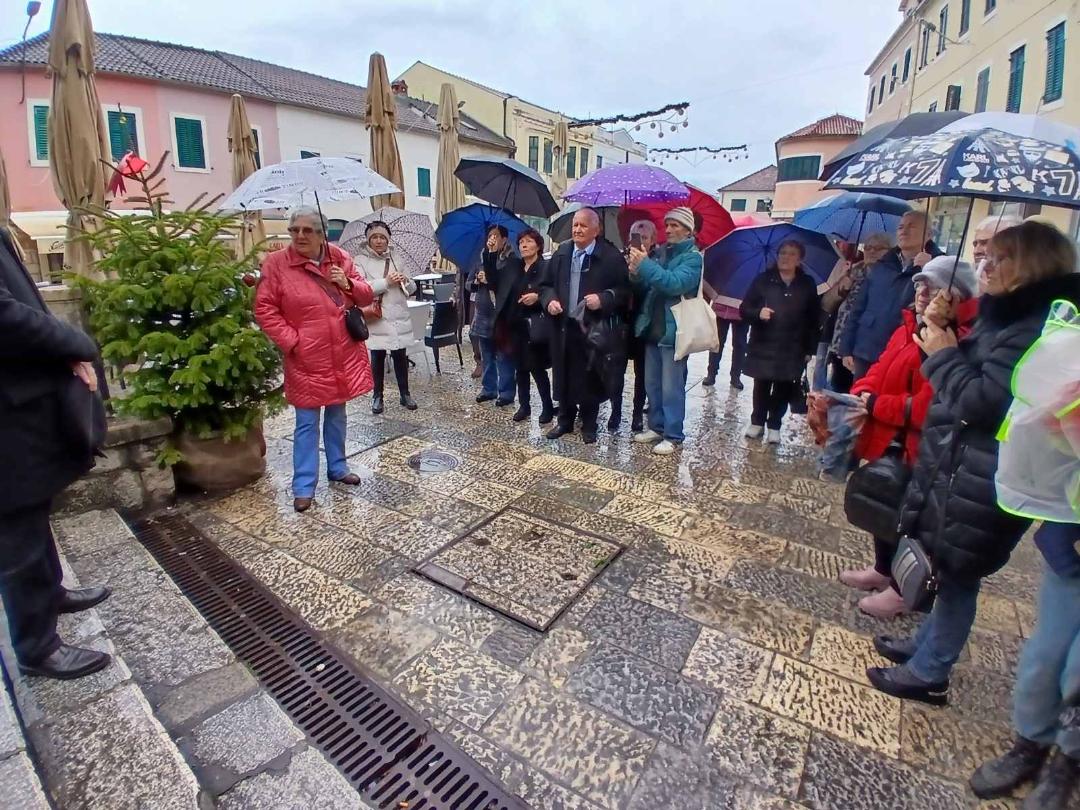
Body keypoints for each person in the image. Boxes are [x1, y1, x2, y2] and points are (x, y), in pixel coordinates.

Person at [867, 221, 1080, 706]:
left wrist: (942, 352)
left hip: (985, 470)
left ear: (1026, 265)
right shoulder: (1006, 316)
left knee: (959, 570)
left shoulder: (1033, 327)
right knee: (947, 561)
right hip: (962, 463)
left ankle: (931, 672)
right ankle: (925, 646)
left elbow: (982, 402)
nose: (985, 266)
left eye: (997, 258)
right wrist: (945, 326)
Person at [838, 256, 980, 618]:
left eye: (933, 287)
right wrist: (864, 391)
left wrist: (876, 404)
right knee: (883, 503)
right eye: (919, 284)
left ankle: (903, 588)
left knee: (912, 520)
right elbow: (879, 369)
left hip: (919, 447)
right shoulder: (907, 327)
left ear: (956, 296)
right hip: (887, 438)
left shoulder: (953, 342)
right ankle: (883, 569)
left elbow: (928, 408)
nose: (922, 292)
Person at [0, 228, 113, 680]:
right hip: (7, 411)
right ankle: (37, 646)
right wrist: (76, 344)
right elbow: (6, 316)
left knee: (33, 506)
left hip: (19, 402)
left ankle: (51, 592)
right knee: (17, 523)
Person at [254, 207, 375, 513]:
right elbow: (265, 308)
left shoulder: (340, 258)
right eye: (294, 230)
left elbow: (364, 297)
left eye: (307, 230)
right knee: (306, 423)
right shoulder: (276, 264)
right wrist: (292, 342)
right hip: (307, 357)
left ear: (322, 234)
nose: (299, 236)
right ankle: (304, 486)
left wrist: (345, 282)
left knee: (337, 416)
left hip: (342, 353)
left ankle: (338, 468)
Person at [969, 521, 1080, 808]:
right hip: (1072, 539)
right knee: (1045, 657)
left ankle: (1068, 761)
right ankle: (1031, 743)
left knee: (1078, 672)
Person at [540, 207, 630, 444]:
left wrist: (604, 298)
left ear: (596, 229)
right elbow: (546, 285)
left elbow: (624, 292)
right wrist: (550, 301)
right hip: (564, 325)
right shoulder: (562, 252)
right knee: (564, 373)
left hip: (592, 328)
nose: (578, 230)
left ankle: (590, 423)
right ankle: (565, 420)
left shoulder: (610, 256)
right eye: (575, 225)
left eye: (583, 226)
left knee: (590, 375)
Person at [628, 207, 703, 455]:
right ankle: (656, 426)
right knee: (653, 384)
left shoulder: (693, 258)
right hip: (654, 328)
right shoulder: (661, 253)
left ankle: (673, 434)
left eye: (675, 225)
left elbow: (674, 284)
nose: (669, 230)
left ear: (688, 229)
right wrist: (636, 272)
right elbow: (648, 284)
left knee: (672, 387)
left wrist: (646, 265)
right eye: (667, 225)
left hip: (675, 332)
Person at [740, 239, 821, 444]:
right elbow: (744, 309)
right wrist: (759, 312)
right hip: (764, 342)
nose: (785, 257)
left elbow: (814, 317)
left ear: (799, 259)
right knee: (762, 384)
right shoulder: (763, 280)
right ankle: (757, 421)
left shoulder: (807, 284)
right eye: (783, 253)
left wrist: (810, 347)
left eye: (791, 254)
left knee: (784, 387)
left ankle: (775, 424)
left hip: (793, 345)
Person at [839, 211, 935, 381]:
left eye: (911, 226)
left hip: (904, 353)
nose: (904, 231)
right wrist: (846, 347)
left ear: (928, 234)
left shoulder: (938, 266)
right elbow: (858, 308)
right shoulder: (883, 264)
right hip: (867, 349)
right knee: (858, 402)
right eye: (900, 227)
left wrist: (931, 268)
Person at [352, 220, 418, 414]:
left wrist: (405, 281)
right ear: (368, 240)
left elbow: (412, 288)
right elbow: (360, 289)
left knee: (400, 355)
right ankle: (377, 396)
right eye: (375, 238)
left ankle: (405, 394)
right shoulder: (360, 261)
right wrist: (386, 282)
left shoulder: (397, 258)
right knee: (378, 356)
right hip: (377, 316)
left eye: (382, 237)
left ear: (388, 239)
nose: (379, 241)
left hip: (398, 315)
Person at [496, 228, 554, 424]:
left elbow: (550, 290)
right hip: (516, 324)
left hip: (535, 326)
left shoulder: (545, 267)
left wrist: (537, 297)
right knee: (520, 368)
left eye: (528, 242)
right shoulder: (516, 266)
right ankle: (524, 406)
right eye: (521, 242)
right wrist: (491, 252)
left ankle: (547, 407)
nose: (524, 245)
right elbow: (498, 280)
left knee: (537, 368)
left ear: (538, 245)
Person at [827, 233, 892, 393]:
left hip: (865, 344)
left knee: (858, 391)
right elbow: (827, 303)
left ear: (889, 251)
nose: (871, 251)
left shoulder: (890, 276)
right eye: (868, 247)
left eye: (878, 248)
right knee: (838, 387)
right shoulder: (855, 270)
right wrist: (842, 288)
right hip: (841, 340)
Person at [610, 219, 655, 432]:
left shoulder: (655, 262)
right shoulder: (620, 259)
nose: (639, 241)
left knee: (641, 373)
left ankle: (637, 413)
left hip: (643, 325)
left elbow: (650, 290)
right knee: (616, 371)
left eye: (644, 237)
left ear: (653, 241)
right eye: (636, 236)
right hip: (622, 323)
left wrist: (640, 270)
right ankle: (615, 411)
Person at [469, 226, 518, 407]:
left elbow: (506, 285)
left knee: (504, 355)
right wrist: (476, 280)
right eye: (490, 236)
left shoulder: (511, 260)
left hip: (501, 316)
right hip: (483, 314)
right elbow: (469, 285)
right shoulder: (482, 257)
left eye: (496, 236)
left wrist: (490, 278)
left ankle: (506, 392)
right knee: (487, 355)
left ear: (504, 239)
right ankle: (489, 388)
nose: (492, 239)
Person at [702, 280, 747, 391]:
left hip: (744, 308)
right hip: (721, 305)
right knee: (717, 342)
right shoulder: (728, 263)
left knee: (740, 344)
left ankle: (736, 376)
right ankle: (711, 373)